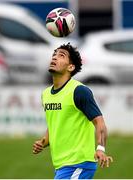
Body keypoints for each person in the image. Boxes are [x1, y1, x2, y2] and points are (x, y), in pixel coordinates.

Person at [33, 43, 113, 179]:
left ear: (71, 67)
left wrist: (100, 148)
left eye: (61, 55)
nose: (54, 58)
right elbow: (55, 124)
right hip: (61, 165)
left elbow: (100, 123)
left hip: (79, 163)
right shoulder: (46, 94)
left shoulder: (79, 91)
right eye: (54, 54)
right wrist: (43, 142)